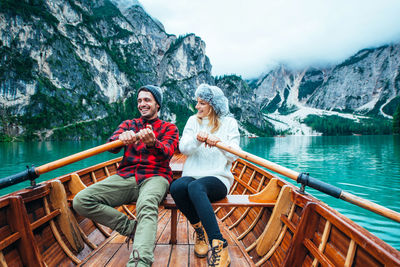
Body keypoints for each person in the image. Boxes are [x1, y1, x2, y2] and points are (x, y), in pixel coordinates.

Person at [73, 85, 179, 267]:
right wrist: (121, 138)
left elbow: (168, 152)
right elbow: (112, 146)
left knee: (146, 204)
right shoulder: (129, 125)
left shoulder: (169, 128)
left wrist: (153, 143)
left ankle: (140, 262)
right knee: (81, 201)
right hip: (126, 176)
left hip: (156, 176)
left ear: (157, 105)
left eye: (147, 100)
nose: (142, 104)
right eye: (139, 100)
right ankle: (131, 228)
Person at [169, 84, 240, 267]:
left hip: (219, 178)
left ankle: (218, 244)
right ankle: (199, 230)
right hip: (193, 174)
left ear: (213, 105)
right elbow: (183, 148)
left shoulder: (229, 123)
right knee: (176, 187)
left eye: (202, 103)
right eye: (197, 102)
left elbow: (234, 155)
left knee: (195, 187)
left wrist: (220, 143)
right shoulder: (193, 121)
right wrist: (197, 139)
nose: (197, 107)